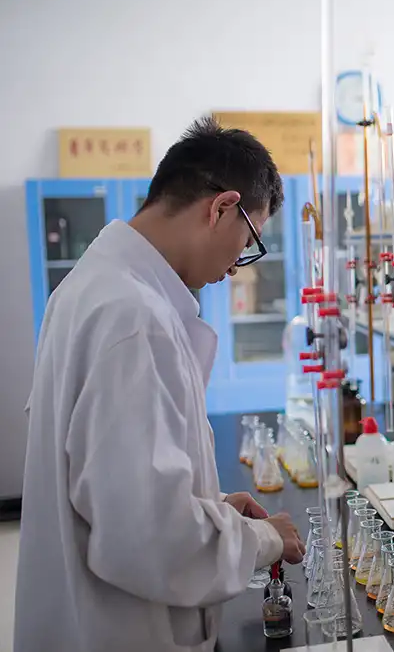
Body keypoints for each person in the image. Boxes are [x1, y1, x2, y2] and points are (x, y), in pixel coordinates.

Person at [16, 118, 307, 652]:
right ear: (222, 208)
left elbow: (104, 483)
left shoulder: (90, 288)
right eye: (247, 242)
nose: (237, 267)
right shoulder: (133, 317)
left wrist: (210, 508)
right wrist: (264, 537)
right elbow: (147, 536)